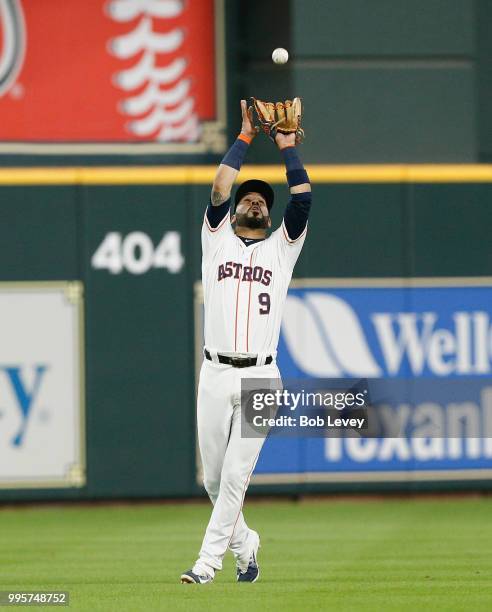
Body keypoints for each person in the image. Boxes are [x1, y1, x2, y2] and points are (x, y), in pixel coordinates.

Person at [181, 100, 312, 584]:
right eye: (248, 198)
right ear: (236, 208)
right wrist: (244, 137)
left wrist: (286, 148)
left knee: (235, 477)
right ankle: (247, 543)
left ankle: (206, 563)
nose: (255, 201)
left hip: (261, 375)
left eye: (262, 200)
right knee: (213, 481)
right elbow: (218, 185)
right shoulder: (216, 240)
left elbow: (302, 199)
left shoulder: (282, 248)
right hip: (214, 373)